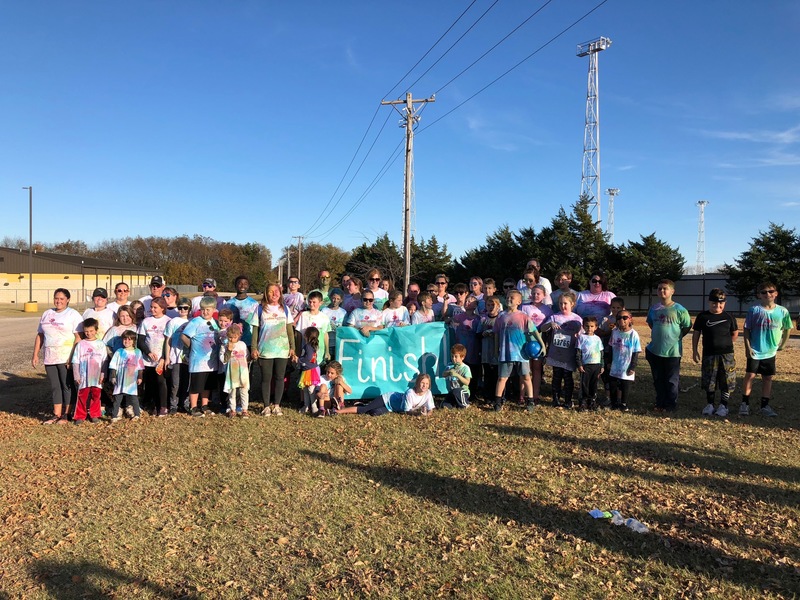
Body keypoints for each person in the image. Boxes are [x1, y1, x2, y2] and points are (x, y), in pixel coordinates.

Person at [740, 282, 792, 417]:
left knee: (767, 377)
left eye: (770, 291)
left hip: (770, 351)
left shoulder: (782, 311)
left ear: (776, 293)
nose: (767, 294)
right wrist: (748, 347)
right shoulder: (754, 310)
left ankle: (765, 405)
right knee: (750, 375)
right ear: (759, 295)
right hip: (756, 350)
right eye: (763, 292)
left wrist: (783, 344)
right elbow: (746, 329)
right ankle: (744, 404)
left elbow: (787, 328)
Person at [33, 288, 83, 424]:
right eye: (56, 298)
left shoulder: (73, 314)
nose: (58, 301)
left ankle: (67, 414)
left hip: (66, 357)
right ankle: (56, 414)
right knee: (55, 386)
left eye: (62, 298)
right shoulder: (47, 314)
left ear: (67, 300)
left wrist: (72, 357)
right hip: (50, 357)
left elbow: (78, 337)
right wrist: (35, 354)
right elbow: (40, 335)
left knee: (66, 385)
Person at [493, 289, 545, 412]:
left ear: (519, 301)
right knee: (502, 378)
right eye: (507, 297)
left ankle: (530, 400)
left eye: (512, 298)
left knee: (526, 377)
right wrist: (496, 350)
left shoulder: (523, 316)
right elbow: (496, 334)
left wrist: (542, 344)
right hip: (506, 353)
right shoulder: (501, 316)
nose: (509, 299)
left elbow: (533, 331)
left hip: (521, 354)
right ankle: (498, 402)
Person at [645, 279, 692, 413]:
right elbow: (651, 324)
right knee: (658, 379)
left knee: (671, 380)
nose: (662, 291)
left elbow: (687, 326)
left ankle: (671, 404)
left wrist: (675, 337)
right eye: (659, 288)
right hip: (655, 351)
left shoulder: (679, 310)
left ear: (672, 291)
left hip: (673, 352)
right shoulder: (654, 308)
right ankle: (660, 403)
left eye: (665, 288)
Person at [692, 288, 738, 418]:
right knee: (709, 379)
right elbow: (696, 334)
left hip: (726, 355)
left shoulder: (729, 317)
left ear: (724, 303)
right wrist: (695, 350)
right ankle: (710, 404)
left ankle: (724, 405)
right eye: (714, 303)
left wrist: (726, 345)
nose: (717, 306)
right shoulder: (702, 316)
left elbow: (734, 334)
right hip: (709, 354)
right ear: (708, 302)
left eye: (720, 303)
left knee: (726, 380)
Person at [252, 283, 295, 416]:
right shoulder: (259, 309)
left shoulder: (285, 309)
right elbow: (255, 330)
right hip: (265, 350)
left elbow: (290, 330)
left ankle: (277, 405)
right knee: (266, 378)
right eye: (271, 292)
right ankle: (266, 406)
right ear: (266, 294)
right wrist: (254, 348)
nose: (274, 294)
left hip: (282, 350)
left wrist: (292, 347)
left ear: (280, 293)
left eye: (277, 291)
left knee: (280, 378)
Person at [540, 292, 583, 409]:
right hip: (556, 354)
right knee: (557, 376)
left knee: (568, 377)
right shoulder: (555, 317)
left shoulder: (577, 319)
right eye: (560, 303)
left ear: (572, 304)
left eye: (565, 303)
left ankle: (568, 401)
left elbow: (582, 335)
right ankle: (556, 400)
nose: (562, 306)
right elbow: (542, 328)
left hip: (569, 354)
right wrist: (550, 324)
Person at [181, 296, 221, 417]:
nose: (205, 312)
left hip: (211, 361)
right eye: (203, 309)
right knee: (196, 385)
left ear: (214, 309)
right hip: (198, 361)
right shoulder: (195, 322)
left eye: (208, 309)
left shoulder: (215, 323)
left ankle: (204, 405)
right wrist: (191, 346)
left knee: (207, 384)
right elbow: (184, 336)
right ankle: (193, 407)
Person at [337, 374, 434, 416]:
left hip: (391, 408)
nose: (424, 386)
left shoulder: (428, 393)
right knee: (364, 410)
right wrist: (418, 414)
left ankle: (363, 405)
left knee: (374, 413)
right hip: (387, 399)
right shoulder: (410, 393)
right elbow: (406, 412)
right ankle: (339, 411)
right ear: (417, 383)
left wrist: (426, 415)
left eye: (426, 384)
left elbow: (430, 409)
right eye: (422, 383)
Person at [137, 296, 171, 416]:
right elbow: (140, 340)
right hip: (148, 360)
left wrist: (163, 357)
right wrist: (148, 353)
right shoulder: (146, 321)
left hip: (161, 360)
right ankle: (152, 405)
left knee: (161, 382)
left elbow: (169, 341)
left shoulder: (168, 321)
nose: (152, 309)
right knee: (150, 383)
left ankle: (163, 406)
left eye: (155, 307)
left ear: (162, 308)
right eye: (151, 307)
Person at [71, 318, 107, 425]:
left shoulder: (101, 344)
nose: (89, 333)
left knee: (96, 395)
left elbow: (105, 360)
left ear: (96, 330)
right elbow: (75, 361)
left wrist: (103, 374)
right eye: (86, 331)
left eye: (91, 331)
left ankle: (94, 414)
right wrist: (76, 375)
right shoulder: (81, 344)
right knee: (82, 395)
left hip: (96, 376)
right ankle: (80, 416)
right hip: (84, 376)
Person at [108, 329, 144, 422]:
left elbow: (140, 366)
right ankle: (114, 416)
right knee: (117, 398)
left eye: (129, 339)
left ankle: (137, 414)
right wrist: (113, 376)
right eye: (125, 339)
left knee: (133, 398)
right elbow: (113, 365)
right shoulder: (119, 352)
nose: (127, 341)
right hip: (120, 379)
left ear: (133, 341)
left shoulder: (137, 352)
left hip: (132, 380)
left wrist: (140, 377)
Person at [608, 310, 641, 411]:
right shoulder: (614, 332)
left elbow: (636, 352)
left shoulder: (633, 334)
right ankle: (614, 403)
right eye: (619, 318)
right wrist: (609, 361)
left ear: (630, 319)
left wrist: (633, 366)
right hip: (615, 364)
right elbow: (610, 347)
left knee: (625, 385)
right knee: (613, 384)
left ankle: (623, 403)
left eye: (625, 318)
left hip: (627, 364)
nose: (622, 320)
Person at [164, 300, 191, 414]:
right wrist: (167, 357)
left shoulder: (192, 321)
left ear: (189, 309)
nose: (183, 310)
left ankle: (185, 403)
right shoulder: (173, 321)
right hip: (175, 357)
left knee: (187, 382)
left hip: (188, 357)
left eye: (185, 308)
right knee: (175, 383)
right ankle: (173, 404)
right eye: (180, 308)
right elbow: (168, 340)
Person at [220, 323, 250, 418]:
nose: (232, 339)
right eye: (230, 337)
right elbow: (224, 360)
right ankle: (232, 409)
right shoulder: (224, 346)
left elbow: (247, 356)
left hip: (243, 372)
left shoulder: (242, 345)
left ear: (239, 336)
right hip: (231, 373)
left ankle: (244, 409)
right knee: (232, 391)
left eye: (234, 337)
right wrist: (228, 350)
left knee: (244, 391)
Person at [478, 295, 502, 404]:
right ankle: (487, 396)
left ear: (498, 306)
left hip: (497, 351)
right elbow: (477, 334)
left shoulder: (500, 319)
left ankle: (496, 395)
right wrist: (483, 334)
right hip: (486, 352)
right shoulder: (483, 319)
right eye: (488, 305)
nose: (491, 307)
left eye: (493, 305)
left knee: (496, 374)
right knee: (487, 374)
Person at [224, 275, 260, 350]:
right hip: (233, 341)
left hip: (249, 341)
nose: (242, 286)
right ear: (235, 285)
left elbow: (258, 323)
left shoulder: (254, 304)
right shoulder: (228, 304)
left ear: (248, 286)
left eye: (245, 283)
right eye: (240, 283)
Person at [576, 316, 604, 411]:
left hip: (596, 364)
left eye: (592, 326)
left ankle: (592, 401)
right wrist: (579, 364)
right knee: (584, 384)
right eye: (587, 326)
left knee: (594, 384)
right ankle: (583, 401)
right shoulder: (581, 337)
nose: (589, 328)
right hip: (585, 365)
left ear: (596, 327)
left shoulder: (597, 339)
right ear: (583, 326)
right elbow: (578, 352)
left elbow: (601, 353)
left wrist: (602, 365)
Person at [296, 291, 332, 362]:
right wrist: (298, 349)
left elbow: (325, 334)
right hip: (305, 349)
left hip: (319, 350)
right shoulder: (304, 315)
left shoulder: (324, 317)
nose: (311, 304)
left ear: (320, 303)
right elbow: (299, 333)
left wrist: (327, 351)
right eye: (310, 302)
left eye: (314, 302)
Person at [296, 326, 322, 416]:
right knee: (306, 389)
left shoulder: (308, 346)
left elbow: (308, 357)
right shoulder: (312, 346)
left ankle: (314, 407)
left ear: (307, 336)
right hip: (307, 370)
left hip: (311, 371)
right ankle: (306, 405)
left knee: (311, 389)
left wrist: (299, 360)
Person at [443, 344, 471, 408]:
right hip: (452, 391)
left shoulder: (465, 368)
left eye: (456, 357)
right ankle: (455, 404)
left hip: (463, 392)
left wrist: (457, 375)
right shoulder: (449, 365)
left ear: (462, 357)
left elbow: (467, 382)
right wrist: (449, 372)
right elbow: (443, 374)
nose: (453, 359)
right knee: (445, 405)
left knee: (457, 391)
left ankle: (465, 404)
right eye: (452, 356)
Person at [321, 288, 346, 360]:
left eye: (338, 299)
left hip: (337, 342)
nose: (335, 300)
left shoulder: (343, 312)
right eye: (334, 298)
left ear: (341, 300)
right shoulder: (324, 310)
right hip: (326, 342)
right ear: (330, 298)